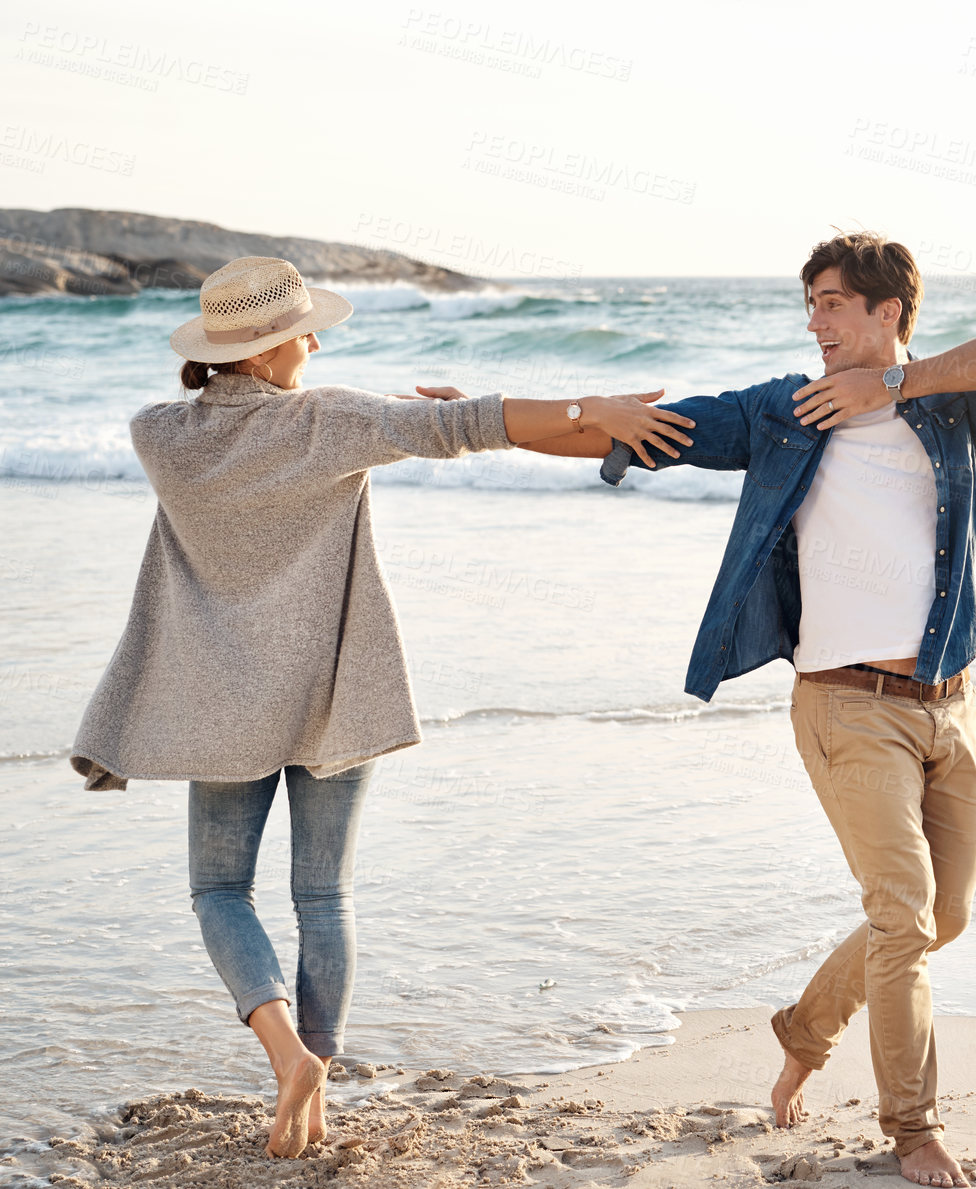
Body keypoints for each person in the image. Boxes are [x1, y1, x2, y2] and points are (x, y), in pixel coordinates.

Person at [67, 256, 693, 1158]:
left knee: (218, 889)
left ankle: (287, 1061)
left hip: (223, 705)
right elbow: (471, 426)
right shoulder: (330, 419)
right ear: (270, 345)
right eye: (304, 331)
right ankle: (317, 1083)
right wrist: (595, 410)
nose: (316, 343)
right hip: (333, 694)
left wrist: (463, 415)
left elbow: (437, 424)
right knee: (324, 894)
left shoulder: (159, 436)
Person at [597, 232, 976, 1188]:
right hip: (846, 706)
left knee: (943, 917)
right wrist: (499, 416)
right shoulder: (786, 412)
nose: (815, 322)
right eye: (810, 304)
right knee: (902, 916)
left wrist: (889, 389)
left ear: (889, 313)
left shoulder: (954, 408)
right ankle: (913, 1127)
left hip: (950, 702)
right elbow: (650, 430)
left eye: (833, 302)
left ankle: (806, 1028)